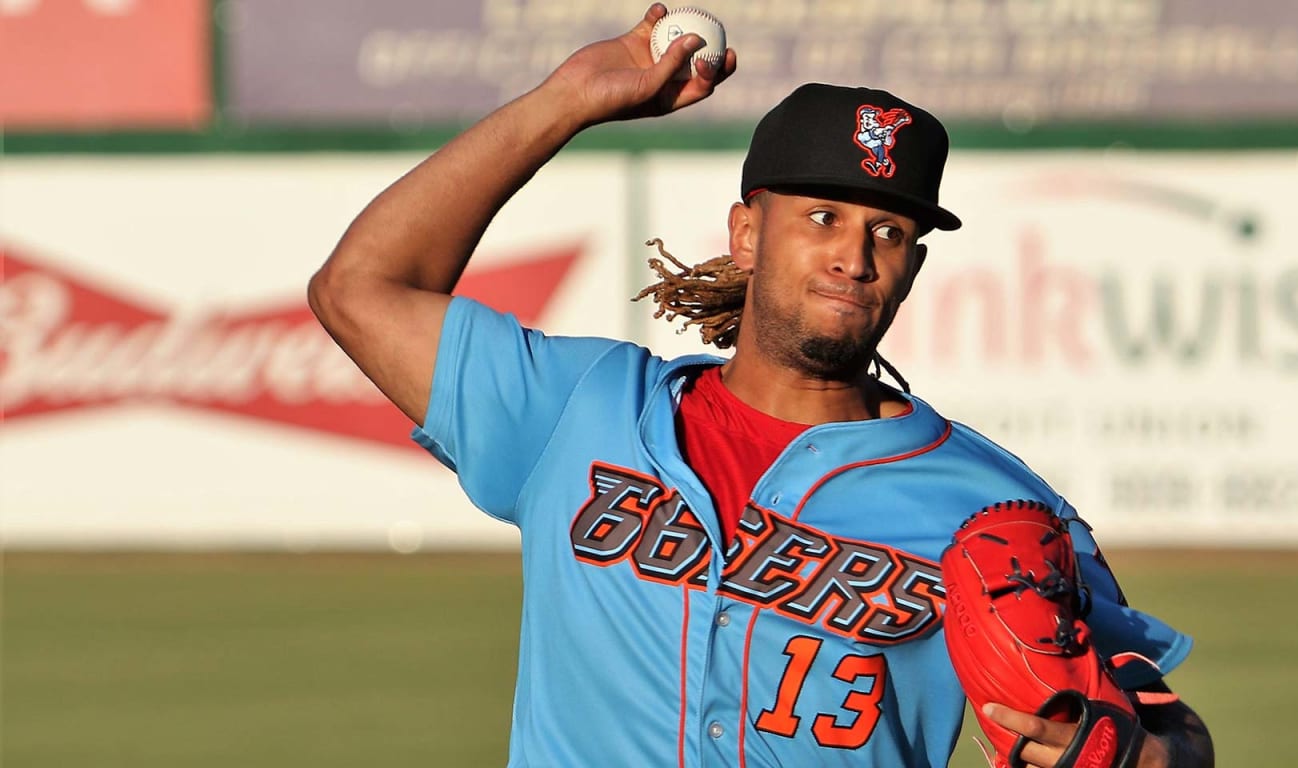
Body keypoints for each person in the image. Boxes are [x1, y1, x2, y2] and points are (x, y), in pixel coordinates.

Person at [309, 5, 1215, 767]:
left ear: (912, 267)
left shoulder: (993, 505)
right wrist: (567, 102)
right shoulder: (579, 412)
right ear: (747, 235)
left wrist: (1143, 748)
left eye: (889, 233)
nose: (853, 257)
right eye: (822, 217)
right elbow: (359, 290)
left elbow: (1165, 718)